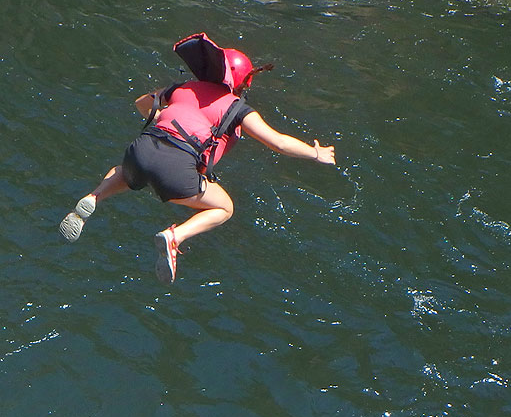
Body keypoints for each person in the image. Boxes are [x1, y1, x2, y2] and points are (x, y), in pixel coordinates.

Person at [58, 34, 336, 283]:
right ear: (242, 82)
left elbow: (142, 103)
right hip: (176, 166)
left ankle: (94, 197)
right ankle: (174, 237)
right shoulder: (237, 108)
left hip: (141, 148)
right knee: (225, 207)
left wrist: (161, 120)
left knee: (124, 172)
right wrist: (316, 153)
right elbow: (278, 142)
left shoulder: (183, 88)